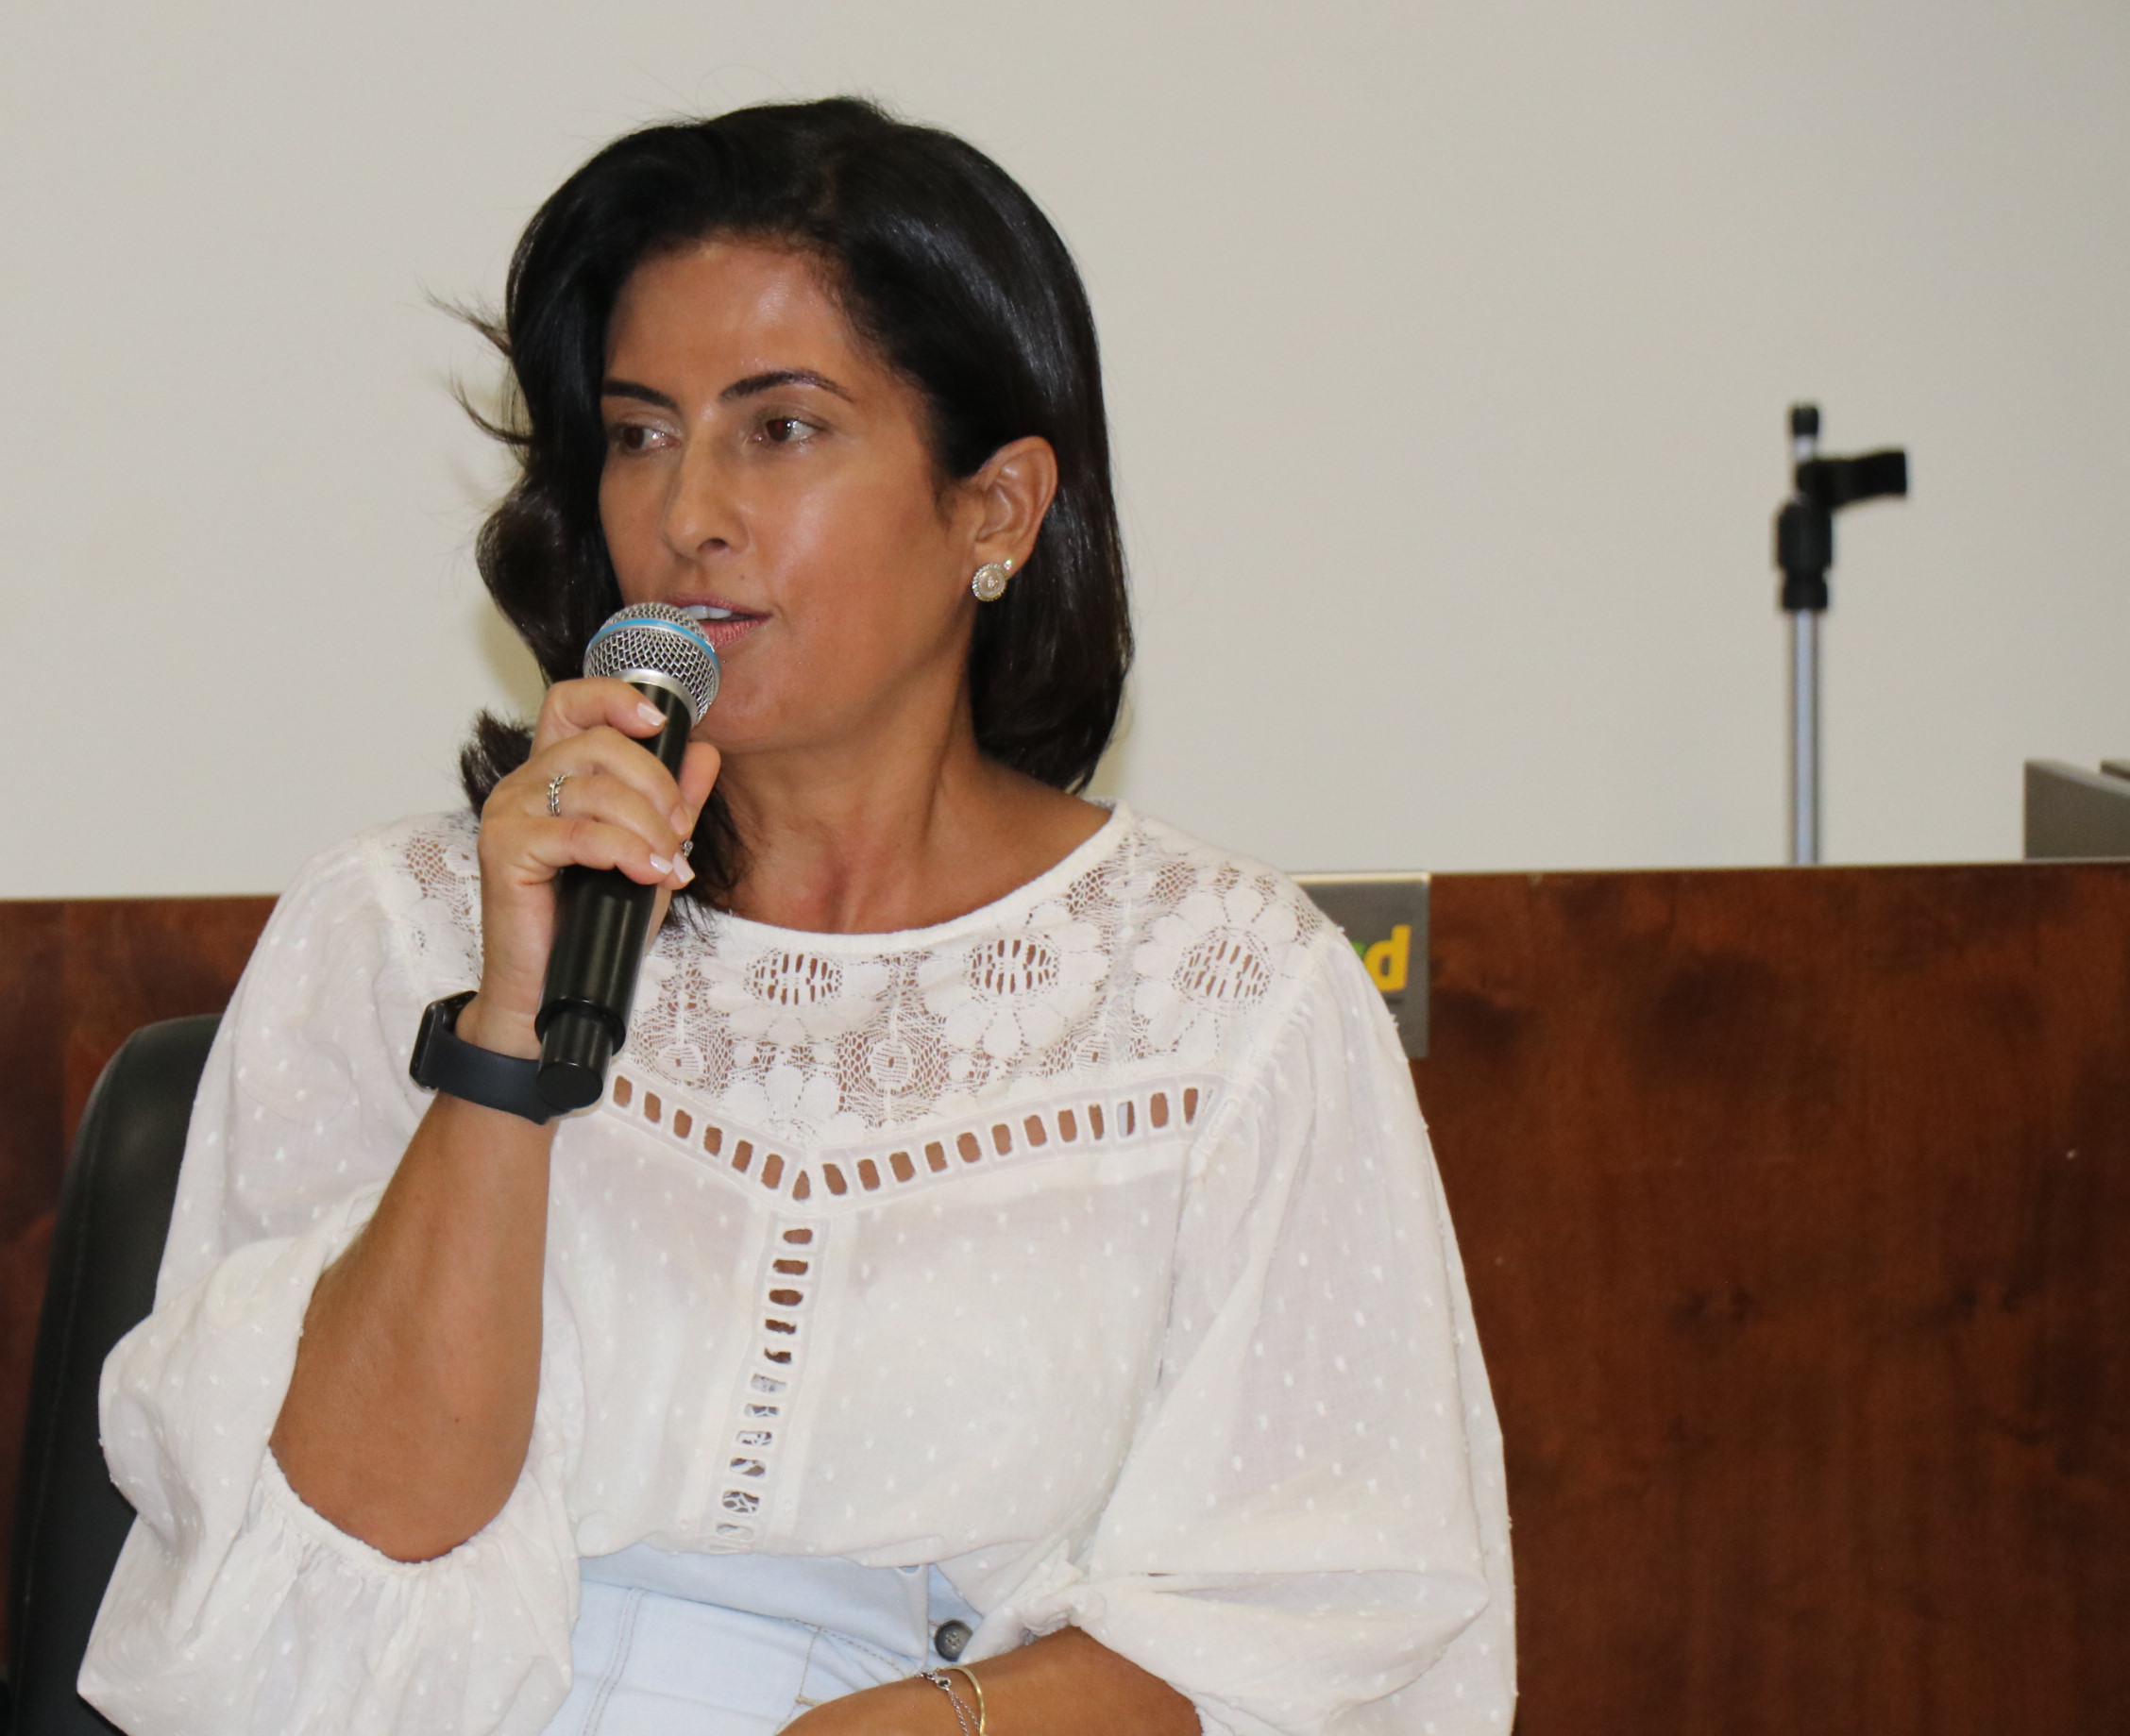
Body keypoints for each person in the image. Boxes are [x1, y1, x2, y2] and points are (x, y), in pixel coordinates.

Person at [79, 97, 1513, 1736]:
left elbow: (1316, 1620)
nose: (687, 512)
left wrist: (936, 1723)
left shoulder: (1232, 995)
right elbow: (344, 1554)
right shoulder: (401, 923)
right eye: (639, 435)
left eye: (781, 429)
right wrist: (509, 1035)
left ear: (996, 509)